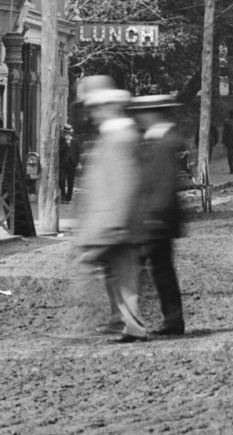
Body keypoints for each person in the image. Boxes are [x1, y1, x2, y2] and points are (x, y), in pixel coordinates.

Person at [74, 75, 148, 343]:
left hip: (113, 222)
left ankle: (80, 323)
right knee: (122, 276)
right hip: (116, 221)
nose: (92, 114)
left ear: (109, 106)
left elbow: (123, 183)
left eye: (94, 108)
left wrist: (114, 223)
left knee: (95, 270)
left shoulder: (118, 137)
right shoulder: (118, 135)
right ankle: (127, 323)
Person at [130, 93, 187, 337]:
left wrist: (153, 214)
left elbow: (164, 182)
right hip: (158, 217)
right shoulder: (159, 138)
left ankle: (130, 321)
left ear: (153, 113)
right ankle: (171, 321)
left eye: (142, 113)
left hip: (156, 217)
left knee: (139, 270)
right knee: (161, 270)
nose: (139, 118)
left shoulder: (162, 142)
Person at [58, 124, 80, 204]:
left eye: (68, 133)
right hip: (63, 164)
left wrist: (78, 163)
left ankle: (68, 198)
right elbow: (59, 151)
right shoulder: (61, 141)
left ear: (70, 133)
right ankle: (63, 195)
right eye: (65, 133)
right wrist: (65, 143)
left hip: (72, 164)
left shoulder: (74, 141)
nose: (66, 134)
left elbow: (77, 152)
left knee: (71, 182)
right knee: (62, 180)